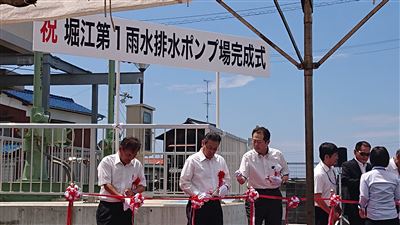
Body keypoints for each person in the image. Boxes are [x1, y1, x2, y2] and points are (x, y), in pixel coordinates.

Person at [235, 126, 289, 225]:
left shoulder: (277, 154)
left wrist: (281, 180)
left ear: (267, 142)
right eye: (254, 141)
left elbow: (286, 174)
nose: (255, 144)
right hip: (255, 195)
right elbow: (243, 178)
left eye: (259, 142)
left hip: (274, 195)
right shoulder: (248, 157)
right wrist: (239, 178)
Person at [179, 131, 231, 225]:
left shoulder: (220, 160)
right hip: (198, 204)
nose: (211, 151)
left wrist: (225, 187)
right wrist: (198, 194)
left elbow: (227, 179)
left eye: (215, 149)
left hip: (215, 203)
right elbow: (184, 182)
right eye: (209, 148)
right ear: (203, 143)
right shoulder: (193, 160)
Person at [96, 137, 146, 225]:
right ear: (121, 149)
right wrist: (120, 197)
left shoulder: (137, 164)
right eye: (129, 155)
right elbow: (106, 184)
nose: (131, 159)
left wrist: (133, 192)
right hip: (108, 207)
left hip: (126, 208)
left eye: (134, 156)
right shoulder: (107, 162)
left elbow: (142, 185)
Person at [359, 146, 400, 225]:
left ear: (371, 159)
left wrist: (362, 208)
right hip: (391, 216)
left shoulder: (366, 176)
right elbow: (398, 197)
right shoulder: (395, 177)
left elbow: (364, 197)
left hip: (373, 217)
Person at [341, 141, 372, 225]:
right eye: (362, 154)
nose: (365, 157)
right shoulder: (347, 165)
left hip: (369, 206)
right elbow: (344, 180)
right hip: (353, 206)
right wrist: (363, 182)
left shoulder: (370, 167)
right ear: (355, 152)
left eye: (367, 155)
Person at [314, 142, 340, 225]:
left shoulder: (332, 169)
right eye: (335, 155)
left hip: (331, 209)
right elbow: (317, 198)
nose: (337, 158)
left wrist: (336, 208)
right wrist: (331, 213)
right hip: (321, 211)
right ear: (326, 157)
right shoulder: (318, 173)